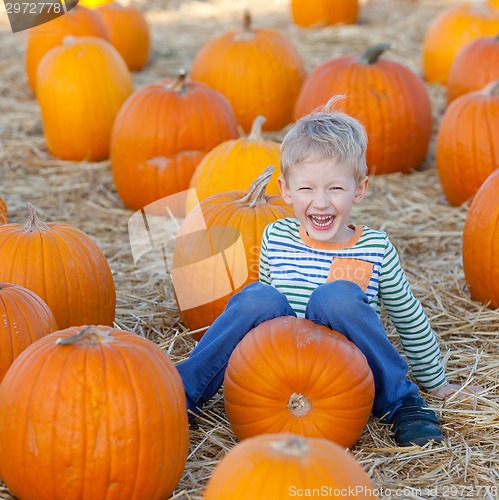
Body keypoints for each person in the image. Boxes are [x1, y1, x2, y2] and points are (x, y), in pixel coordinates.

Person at [176, 96, 481, 447]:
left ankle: (401, 402)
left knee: (336, 298)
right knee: (256, 298)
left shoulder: (376, 249)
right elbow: (262, 318)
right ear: (286, 191)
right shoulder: (275, 236)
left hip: (343, 378)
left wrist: (436, 380)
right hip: (282, 374)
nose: (321, 202)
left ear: (360, 190)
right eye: (307, 188)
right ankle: (183, 393)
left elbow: (407, 317)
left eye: (335, 188)